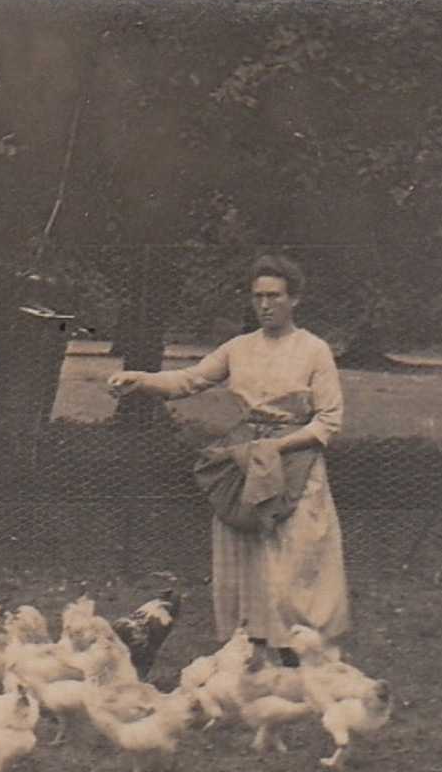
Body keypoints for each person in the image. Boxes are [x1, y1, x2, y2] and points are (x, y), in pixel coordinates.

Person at [107, 254, 350, 663]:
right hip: (244, 460)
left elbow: (329, 420)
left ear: (294, 299)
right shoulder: (239, 348)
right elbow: (189, 380)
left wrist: (278, 446)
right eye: (258, 297)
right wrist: (141, 378)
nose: (265, 305)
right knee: (245, 552)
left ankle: (298, 652)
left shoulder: (313, 350)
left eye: (274, 296)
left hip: (295, 461)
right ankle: (250, 650)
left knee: (295, 555)